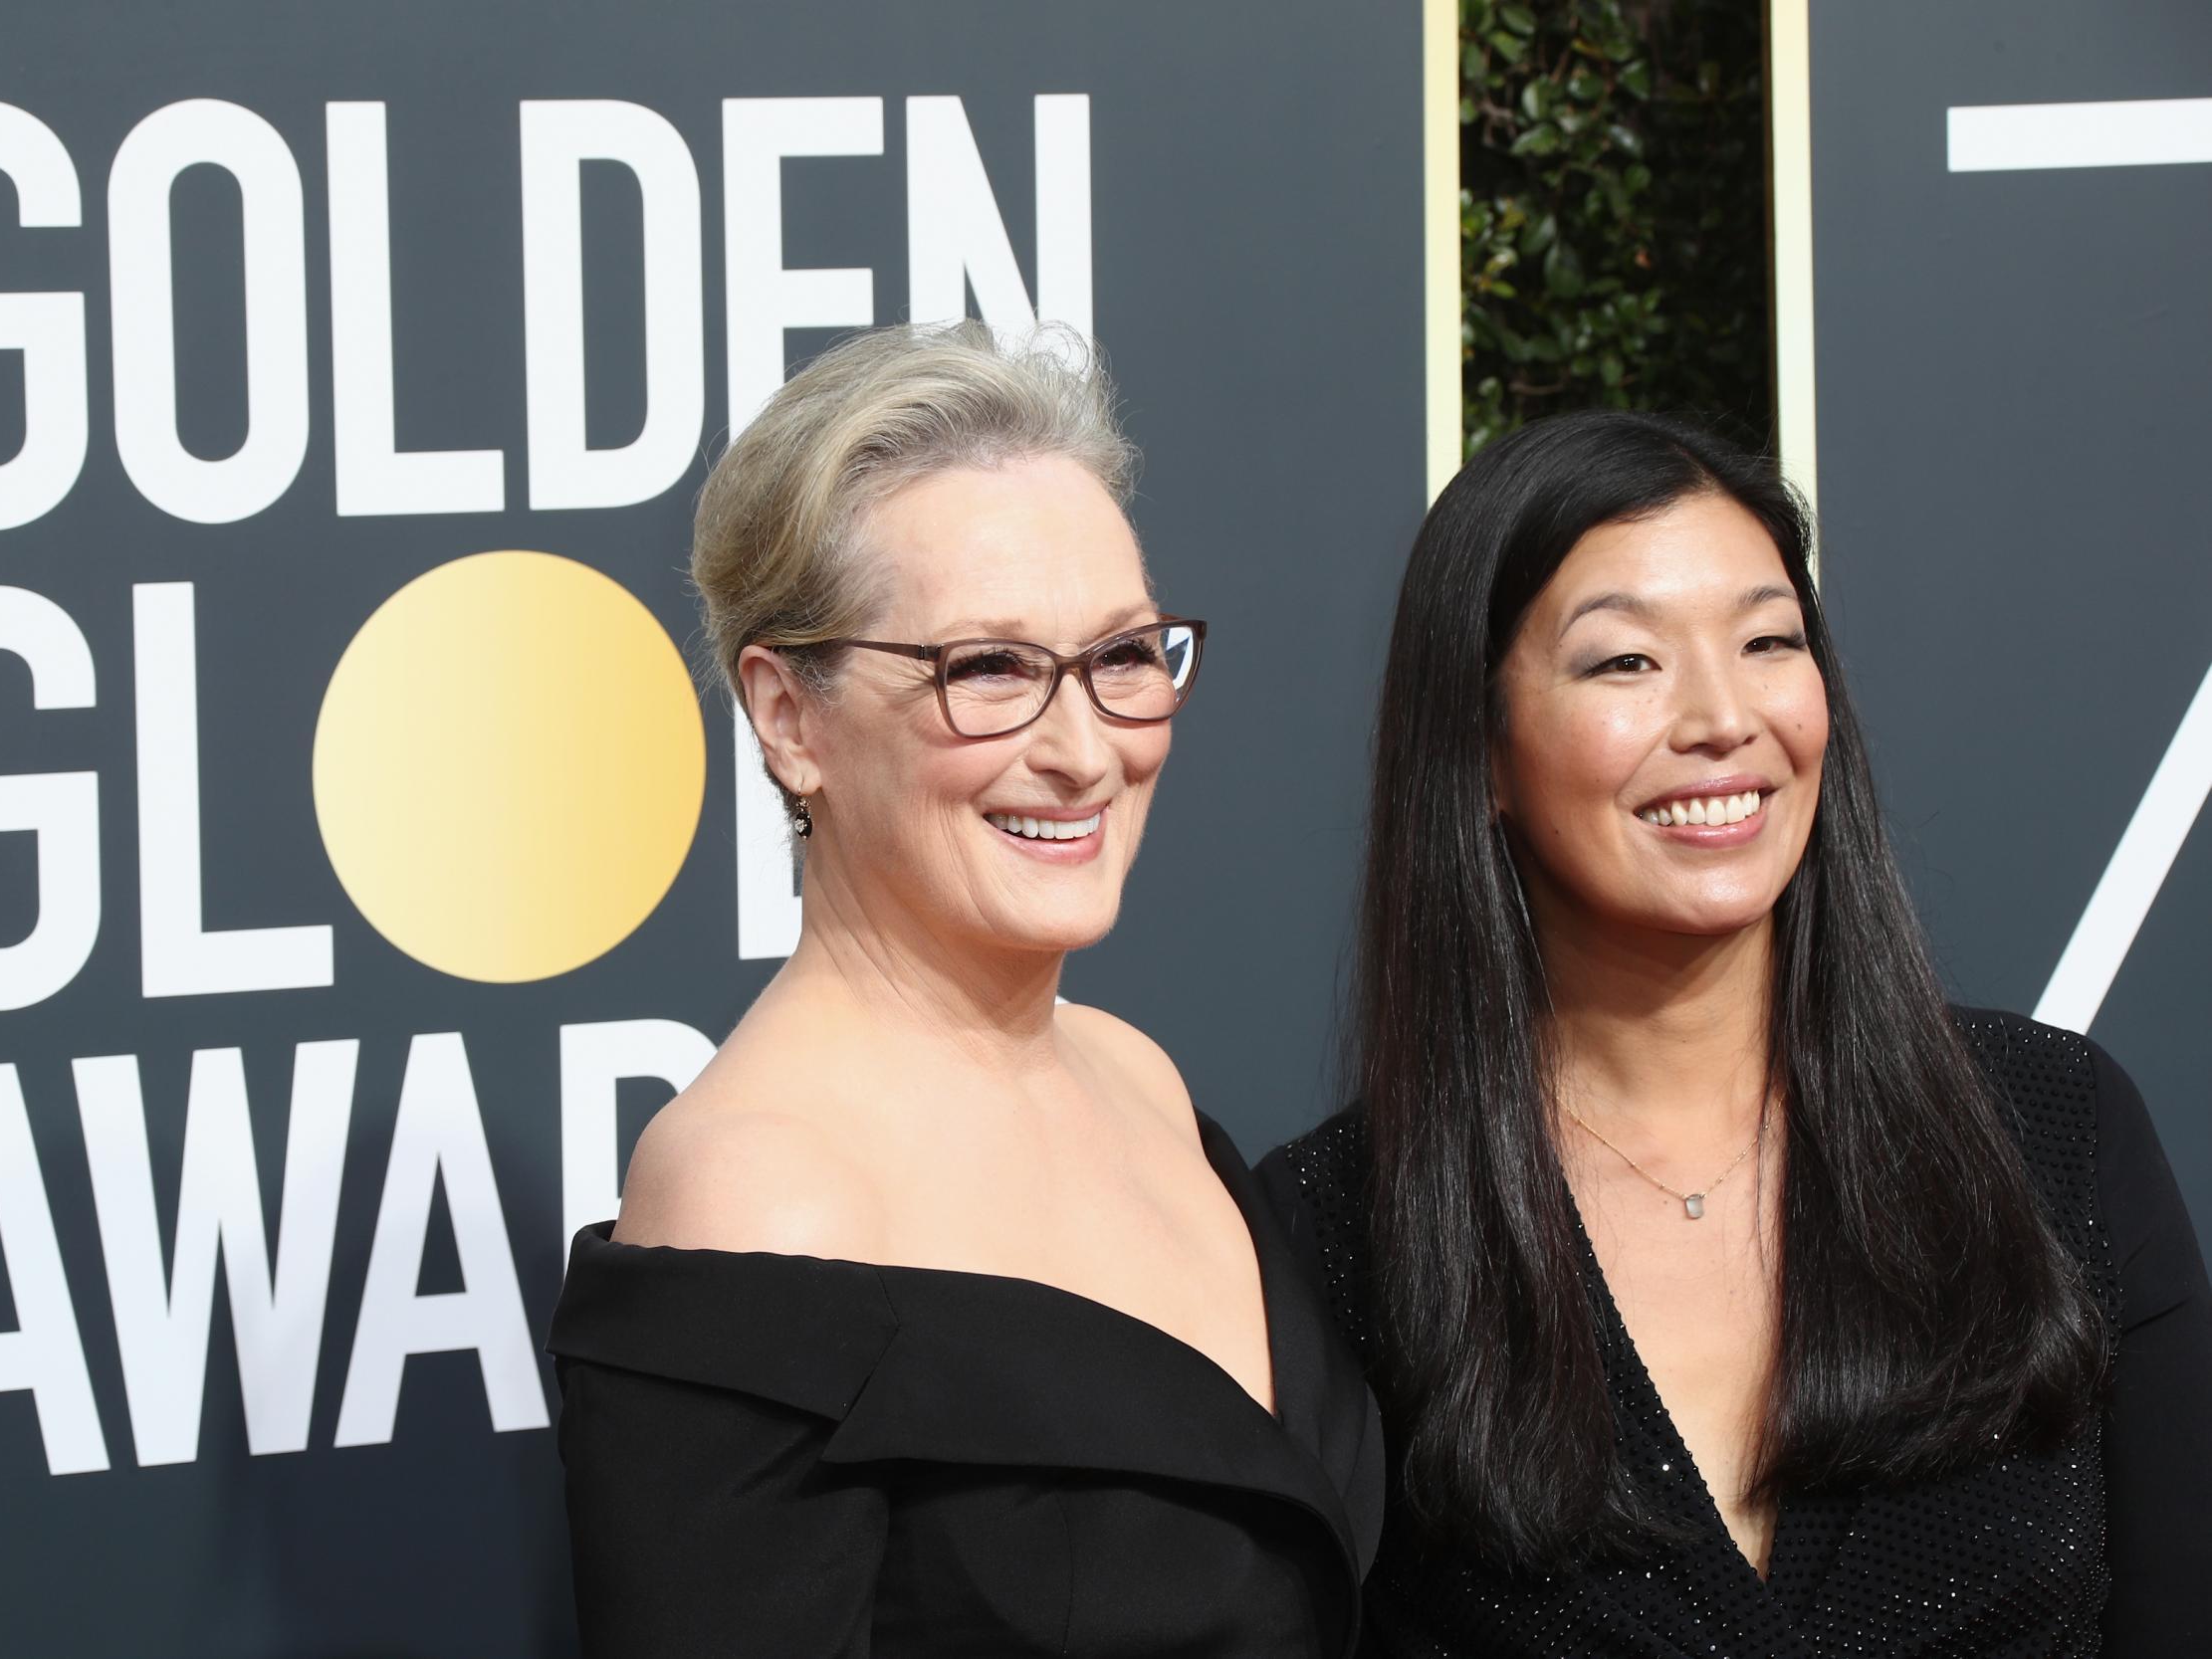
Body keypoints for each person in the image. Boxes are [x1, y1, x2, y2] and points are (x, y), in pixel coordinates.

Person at [1258, 409, 2212, 1655]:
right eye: (1624, 663)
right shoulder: (1332, 1235)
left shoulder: (2055, 1127)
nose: (1722, 716)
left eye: (1768, 640)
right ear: (1480, 747)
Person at [549, 320, 1385, 1657]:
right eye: (986, 668)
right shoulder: (756, 1196)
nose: (1081, 748)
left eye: (1120, 654)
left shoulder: (1138, 1075)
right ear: (788, 716)